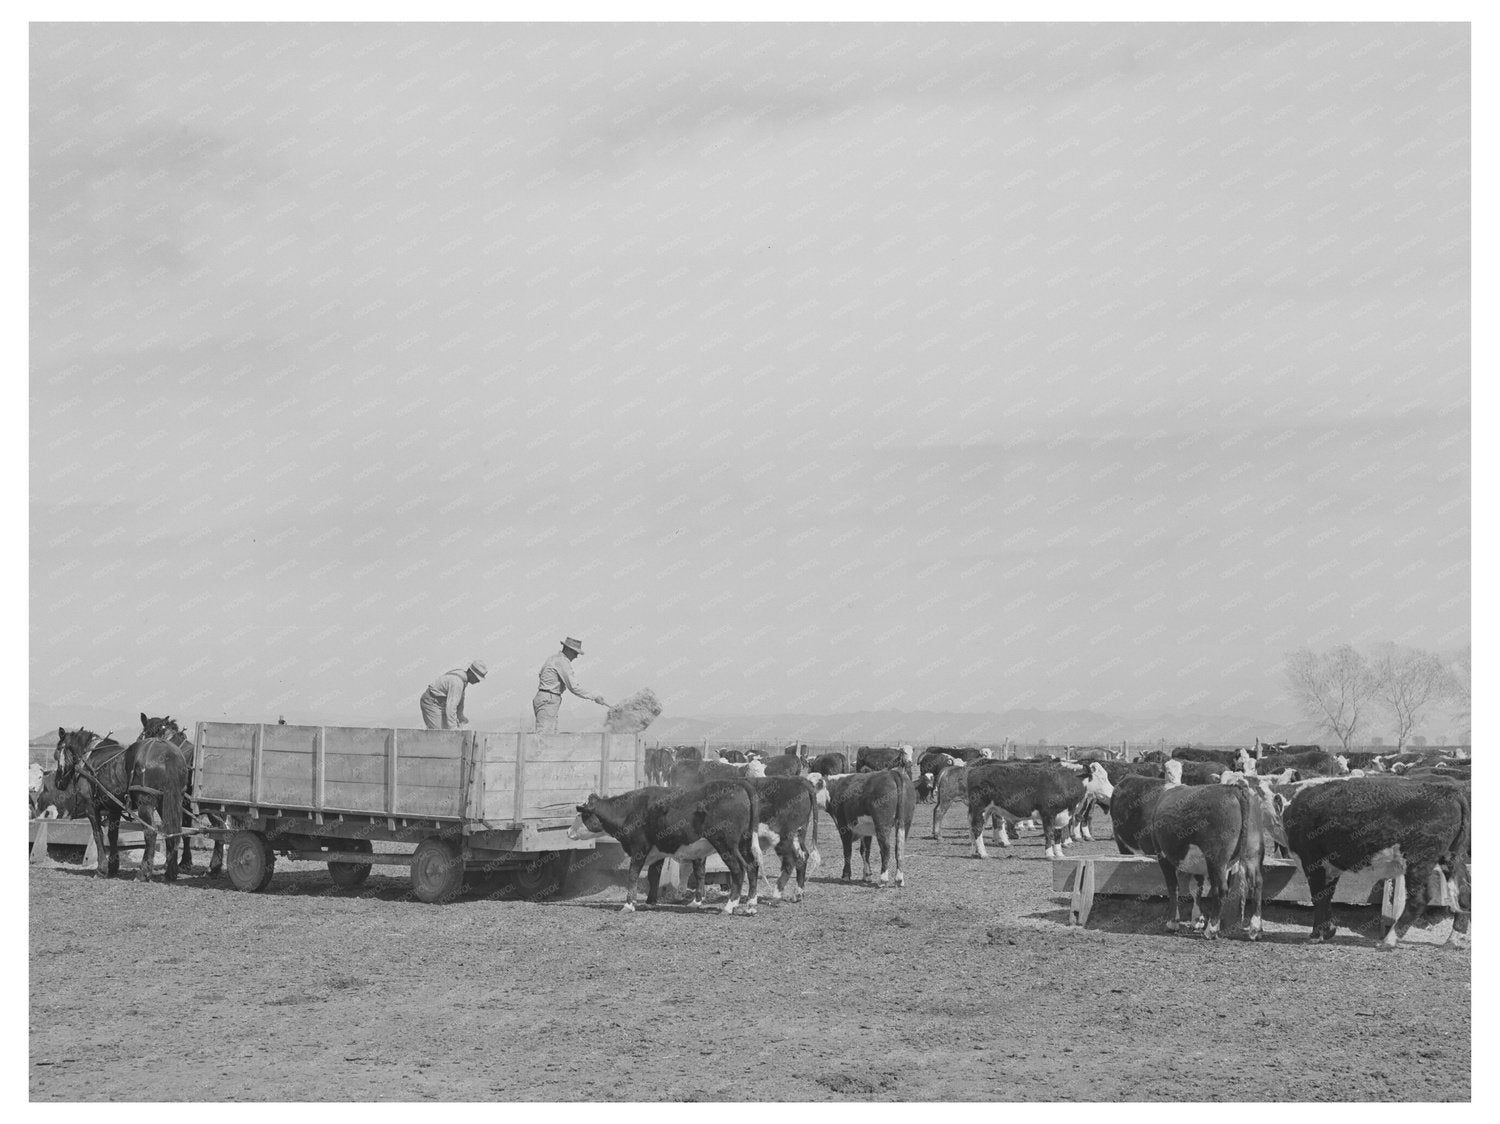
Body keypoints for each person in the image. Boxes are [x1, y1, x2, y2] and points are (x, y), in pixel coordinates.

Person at [534, 637, 607, 733]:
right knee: (545, 735)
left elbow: (541, 675)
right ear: (568, 649)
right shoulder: (562, 662)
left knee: (549, 734)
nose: (576, 656)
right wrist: (594, 697)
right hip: (549, 699)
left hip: (544, 697)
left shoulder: (552, 658)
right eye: (575, 653)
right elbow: (573, 687)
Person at [419, 660, 487, 730]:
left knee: (446, 731)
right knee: (439, 733)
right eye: (477, 678)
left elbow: (460, 699)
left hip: (440, 704)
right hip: (431, 703)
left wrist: (460, 716)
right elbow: (451, 707)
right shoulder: (457, 682)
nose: (478, 681)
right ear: (471, 673)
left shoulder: (462, 678)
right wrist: (454, 729)